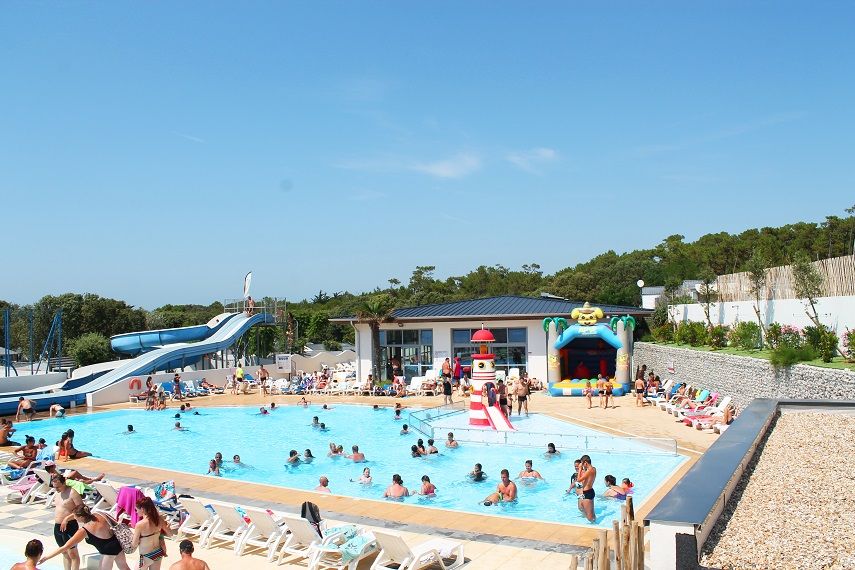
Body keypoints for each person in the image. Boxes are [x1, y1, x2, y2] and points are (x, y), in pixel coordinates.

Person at [40, 504, 132, 570]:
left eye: (75, 517)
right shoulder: (100, 514)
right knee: (124, 567)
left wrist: (47, 557)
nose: (75, 519)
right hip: (117, 544)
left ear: (81, 517)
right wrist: (67, 519)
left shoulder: (84, 530)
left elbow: (65, 547)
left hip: (108, 552)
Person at [51, 473, 84, 570]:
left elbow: (82, 510)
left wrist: (67, 518)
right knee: (64, 552)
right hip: (58, 526)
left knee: (72, 553)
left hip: (70, 526)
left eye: (58, 487)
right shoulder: (57, 493)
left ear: (64, 482)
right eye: (54, 487)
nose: (56, 489)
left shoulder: (72, 493)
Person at [132, 497, 172, 569]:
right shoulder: (159, 519)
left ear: (142, 509)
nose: (136, 512)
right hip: (158, 552)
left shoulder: (140, 525)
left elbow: (134, 544)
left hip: (145, 555)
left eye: (136, 509)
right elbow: (170, 534)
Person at [578, 455, 597, 522]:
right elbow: (585, 481)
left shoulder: (589, 471)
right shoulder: (594, 469)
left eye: (582, 464)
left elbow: (579, 480)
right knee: (584, 509)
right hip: (589, 491)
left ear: (585, 463)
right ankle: (595, 521)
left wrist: (580, 469)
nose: (582, 466)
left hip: (588, 493)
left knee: (590, 518)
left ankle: (594, 525)